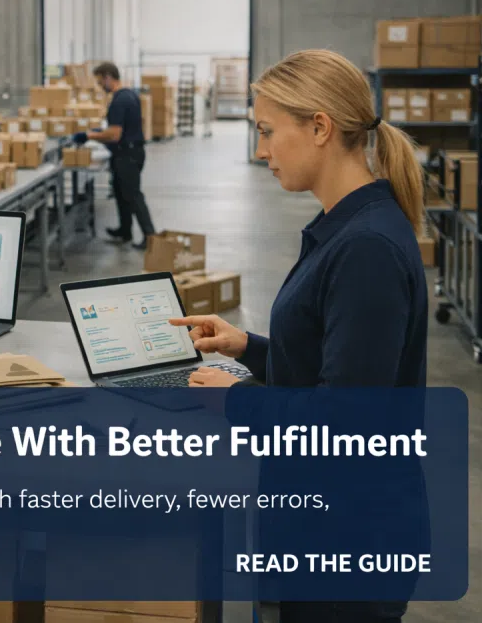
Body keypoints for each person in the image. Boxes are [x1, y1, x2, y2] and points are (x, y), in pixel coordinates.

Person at [169, 49, 429, 623]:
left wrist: (234, 397)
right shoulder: (351, 227)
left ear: (319, 127)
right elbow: (341, 360)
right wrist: (249, 347)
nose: (261, 151)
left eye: (266, 132)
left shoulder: (365, 248)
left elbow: (346, 418)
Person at [73, 62, 155, 249]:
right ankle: (125, 231)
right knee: (120, 192)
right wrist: (100, 131)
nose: (100, 86)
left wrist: (88, 135)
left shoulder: (119, 100)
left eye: (101, 81)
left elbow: (115, 134)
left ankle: (150, 237)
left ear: (108, 77)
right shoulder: (129, 94)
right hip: (130, 151)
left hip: (127, 154)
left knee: (133, 195)